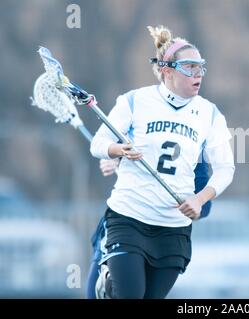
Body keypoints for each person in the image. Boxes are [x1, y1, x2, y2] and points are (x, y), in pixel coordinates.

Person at [89, 25, 235, 299]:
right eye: (190, 67)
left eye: (201, 67)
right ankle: (107, 285)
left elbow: (226, 168)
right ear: (167, 70)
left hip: (173, 227)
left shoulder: (209, 113)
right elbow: (98, 143)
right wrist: (117, 150)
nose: (198, 74)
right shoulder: (135, 101)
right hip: (129, 217)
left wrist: (200, 199)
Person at [85, 158, 213, 299]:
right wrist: (114, 157)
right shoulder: (139, 137)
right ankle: (108, 284)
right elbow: (110, 146)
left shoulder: (198, 149)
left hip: (165, 241)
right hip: (125, 227)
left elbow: (205, 206)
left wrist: (196, 205)